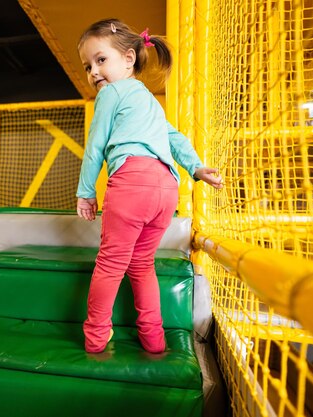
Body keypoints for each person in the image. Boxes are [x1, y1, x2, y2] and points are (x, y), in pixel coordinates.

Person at [76, 18, 223, 354]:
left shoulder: (112, 93)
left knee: (112, 264)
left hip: (133, 183)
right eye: (87, 66)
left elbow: (96, 145)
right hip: (165, 188)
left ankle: (96, 336)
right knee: (141, 264)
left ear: (129, 58)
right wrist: (196, 167)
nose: (93, 71)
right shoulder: (149, 101)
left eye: (101, 60)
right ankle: (153, 339)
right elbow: (176, 138)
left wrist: (86, 191)